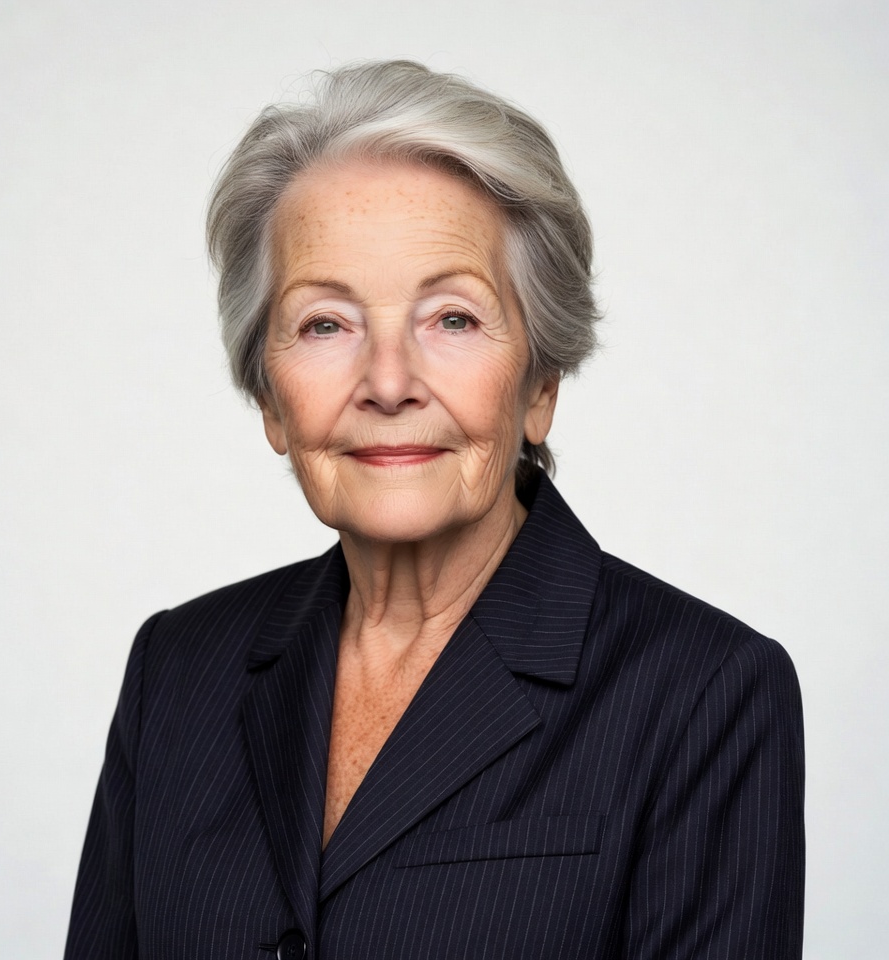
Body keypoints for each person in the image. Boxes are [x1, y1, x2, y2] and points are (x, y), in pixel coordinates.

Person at [64, 60, 804, 959]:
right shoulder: (174, 672)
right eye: (325, 324)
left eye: (451, 318)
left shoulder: (703, 693)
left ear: (540, 383)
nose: (387, 384)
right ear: (269, 397)